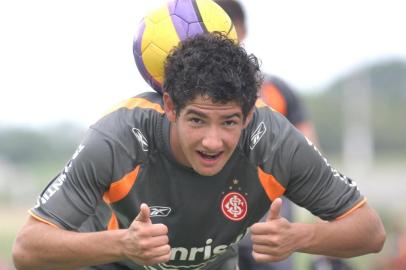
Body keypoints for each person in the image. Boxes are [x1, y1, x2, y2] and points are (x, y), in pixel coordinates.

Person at [13, 31, 384, 270]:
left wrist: (301, 237)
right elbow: (27, 249)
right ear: (171, 107)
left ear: (249, 113)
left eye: (229, 122)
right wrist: (124, 244)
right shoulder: (117, 139)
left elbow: (370, 232)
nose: (212, 141)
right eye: (196, 121)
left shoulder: (275, 143)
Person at [214, 1, 317, 269]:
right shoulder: (190, 93)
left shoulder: (275, 90)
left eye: (228, 30)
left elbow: (308, 153)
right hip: (212, 228)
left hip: (271, 224)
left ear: (243, 31)